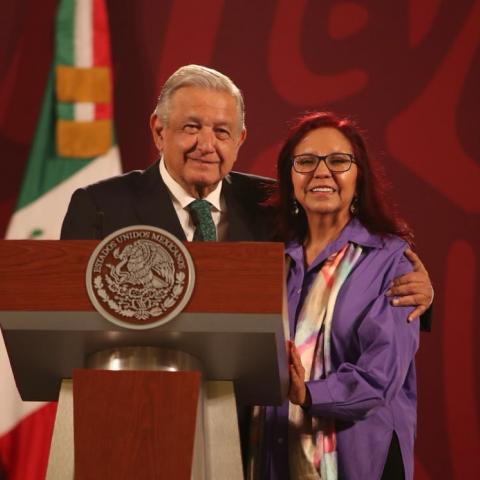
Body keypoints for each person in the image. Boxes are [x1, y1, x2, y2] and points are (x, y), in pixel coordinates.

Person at [60, 65, 431, 474]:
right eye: (191, 127)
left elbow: (344, 272)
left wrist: (423, 297)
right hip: (138, 423)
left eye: (221, 131)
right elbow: (66, 313)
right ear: (158, 130)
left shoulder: (270, 206)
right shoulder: (100, 207)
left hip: (245, 437)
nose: (206, 144)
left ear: (240, 140)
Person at [253, 112, 420, 479]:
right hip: (275, 454)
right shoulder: (272, 261)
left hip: (359, 460)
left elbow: (382, 377)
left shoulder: (391, 260)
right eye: (306, 161)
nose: (321, 172)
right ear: (290, 178)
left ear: (359, 177)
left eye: (339, 161)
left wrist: (308, 393)